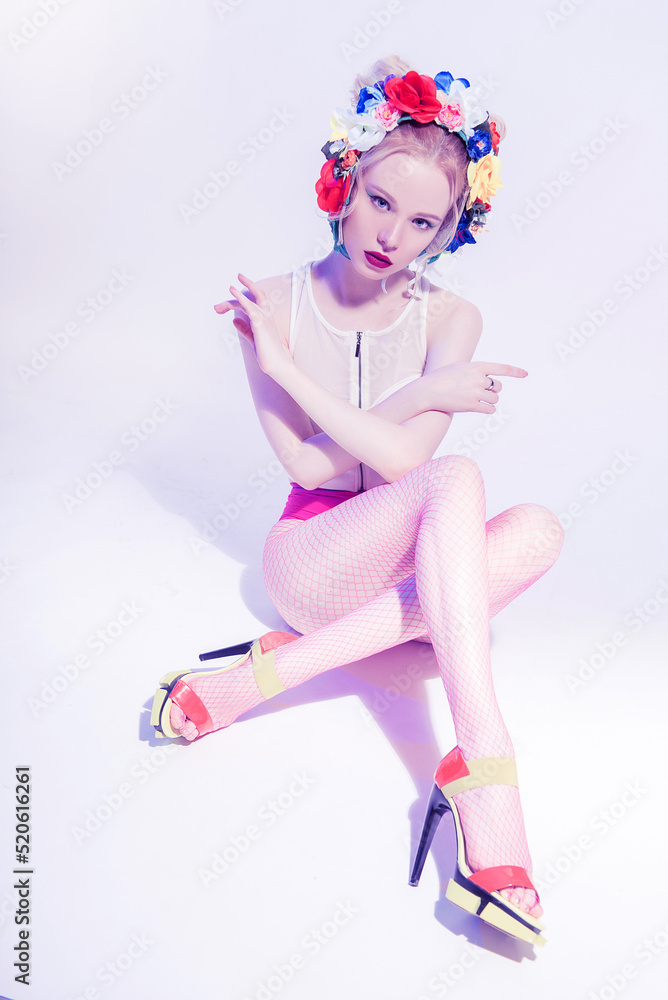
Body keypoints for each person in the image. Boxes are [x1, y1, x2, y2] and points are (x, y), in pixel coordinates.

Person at [151, 56, 564, 947]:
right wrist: (321, 370)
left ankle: (266, 675)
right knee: (457, 481)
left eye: (424, 222)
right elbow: (310, 461)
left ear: (451, 228)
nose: (393, 236)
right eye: (381, 201)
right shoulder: (272, 305)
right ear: (345, 178)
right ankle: (486, 763)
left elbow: (402, 456)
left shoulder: (452, 319)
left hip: (405, 578)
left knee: (540, 530)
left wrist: (407, 395)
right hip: (310, 560)